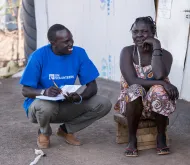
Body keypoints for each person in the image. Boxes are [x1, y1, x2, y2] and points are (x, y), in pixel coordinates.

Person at [20, 24, 112, 149]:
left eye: (71, 39)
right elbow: (25, 90)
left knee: (103, 103)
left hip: (65, 104)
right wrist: (44, 92)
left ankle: (66, 130)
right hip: (40, 107)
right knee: (45, 106)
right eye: (66, 42)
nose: (71, 44)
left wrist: (79, 96)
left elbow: (92, 86)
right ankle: (44, 132)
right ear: (53, 43)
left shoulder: (79, 53)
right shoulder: (38, 56)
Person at [114, 16, 179, 157]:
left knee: (160, 91)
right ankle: (132, 139)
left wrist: (156, 46)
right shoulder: (127, 52)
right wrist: (163, 83)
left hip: (156, 106)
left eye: (144, 32)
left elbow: (159, 74)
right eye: (135, 31)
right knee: (135, 89)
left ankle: (160, 137)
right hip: (132, 105)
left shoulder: (166, 55)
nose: (138, 35)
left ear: (153, 33)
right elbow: (132, 81)